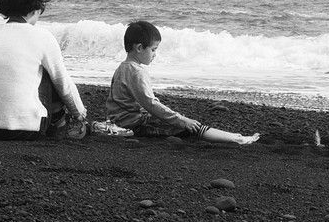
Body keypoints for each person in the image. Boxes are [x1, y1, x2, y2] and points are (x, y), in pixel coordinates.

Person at [0, 0, 88, 140]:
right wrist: (80, 114)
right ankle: (59, 122)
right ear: (36, 8)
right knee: (49, 73)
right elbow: (63, 83)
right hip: (25, 128)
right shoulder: (42, 36)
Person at [105, 21, 260, 145]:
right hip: (133, 124)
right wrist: (181, 120)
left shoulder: (122, 67)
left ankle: (234, 137)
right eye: (153, 50)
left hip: (117, 120)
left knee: (182, 123)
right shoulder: (137, 71)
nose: (155, 55)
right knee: (190, 127)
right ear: (139, 48)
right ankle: (237, 139)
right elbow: (151, 104)